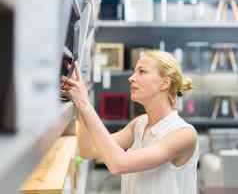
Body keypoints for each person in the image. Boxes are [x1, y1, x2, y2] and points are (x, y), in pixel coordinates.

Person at [61, 50, 199, 194]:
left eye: (142, 71)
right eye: (134, 71)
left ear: (164, 83)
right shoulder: (139, 124)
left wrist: (84, 103)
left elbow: (118, 164)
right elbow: (88, 150)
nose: (131, 78)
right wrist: (80, 104)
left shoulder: (183, 134)